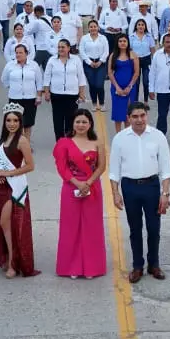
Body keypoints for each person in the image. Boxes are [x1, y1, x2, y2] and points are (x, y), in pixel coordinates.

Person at [109, 102, 170, 284]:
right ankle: (138, 266)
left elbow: (166, 168)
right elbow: (114, 170)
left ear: (147, 116)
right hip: (130, 187)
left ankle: (154, 264)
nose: (139, 120)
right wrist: (115, 193)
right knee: (135, 229)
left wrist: (165, 194)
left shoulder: (158, 136)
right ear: (128, 118)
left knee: (154, 228)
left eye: (142, 115)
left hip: (152, 186)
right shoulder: (120, 139)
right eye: (135, 116)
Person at [53, 108, 107, 279]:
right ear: (73, 124)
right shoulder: (64, 142)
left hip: (92, 187)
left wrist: (88, 183)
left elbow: (101, 167)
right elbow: (62, 168)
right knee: (71, 227)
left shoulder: (98, 142)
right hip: (71, 187)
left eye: (84, 122)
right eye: (78, 122)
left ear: (90, 124)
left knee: (92, 227)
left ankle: (92, 267)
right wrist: (77, 183)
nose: (81, 125)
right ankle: (71, 267)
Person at [0, 103, 40, 278]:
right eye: (9, 120)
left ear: (20, 122)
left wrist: (7, 172)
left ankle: (13, 262)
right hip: (0, 187)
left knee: (8, 223)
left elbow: (30, 166)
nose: (12, 123)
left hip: (15, 187)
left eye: (15, 120)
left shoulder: (22, 141)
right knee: (4, 223)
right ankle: (8, 257)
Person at [44, 39, 87, 140]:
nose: (60, 49)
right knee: (58, 120)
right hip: (56, 94)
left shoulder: (76, 60)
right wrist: (47, 92)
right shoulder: (52, 60)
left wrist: (82, 93)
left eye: (63, 47)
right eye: (59, 47)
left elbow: (81, 76)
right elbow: (47, 77)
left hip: (72, 95)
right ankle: (59, 142)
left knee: (71, 120)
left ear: (68, 48)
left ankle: (69, 141)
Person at [1, 44, 42, 139]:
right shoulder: (10, 65)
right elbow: (4, 79)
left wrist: (39, 96)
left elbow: (39, 81)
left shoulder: (34, 65)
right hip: (15, 98)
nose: (18, 55)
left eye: (20, 53)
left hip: (30, 98)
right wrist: (13, 87)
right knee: (15, 123)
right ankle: (16, 144)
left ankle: (26, 143)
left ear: (26, 53)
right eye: (16, 53)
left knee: (28, 123)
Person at [109, 33, 141, 133]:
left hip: (130, 88)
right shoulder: (113, 55)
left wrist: (130, 86)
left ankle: (128, 134)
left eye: (124, 41)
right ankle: (118, 135)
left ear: (128, 42)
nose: (122, 43)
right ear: (117, 43)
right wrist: (117, 87)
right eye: (120, 41)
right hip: (116, 87)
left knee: (128, 112)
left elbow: (136, 73)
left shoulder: (133, 55)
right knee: (118, 113)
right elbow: (110, 72)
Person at [80, 20, 110, 113]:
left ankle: (101, 103)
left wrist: (100, 61)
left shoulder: (103, 38)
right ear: (88, 28)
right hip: (88, 64)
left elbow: (106, 51)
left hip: (101, 63)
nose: (93, 28)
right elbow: (82, 51)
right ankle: (94, 103)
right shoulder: (84, 38)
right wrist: (89, 62)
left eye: (95, 26)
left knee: (99, 84)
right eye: (91, 27)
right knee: (92, 84)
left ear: (98, 27)